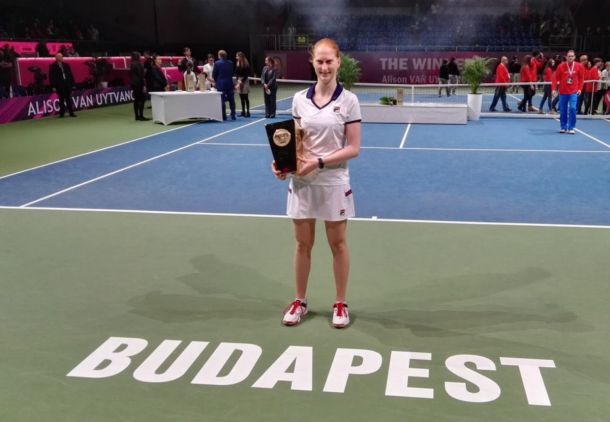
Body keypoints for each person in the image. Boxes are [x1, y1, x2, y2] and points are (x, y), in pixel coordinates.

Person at [271, 38, 361, 328]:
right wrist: (283, 163)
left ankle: (340, 303)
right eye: (319, 61)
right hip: (303, 182)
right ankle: (300, 301)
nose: (324, 67)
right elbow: (295, 143)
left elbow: (353, 148)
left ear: (338, 63)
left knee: (338, 245)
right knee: (302, 244)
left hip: (334, 182)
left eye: (329, 61)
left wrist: (320, 162)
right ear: (312, 62)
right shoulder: (299, 99)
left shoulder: (349, 101)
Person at [552, 50, 585, 134]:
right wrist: (553, 89)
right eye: (569, 56)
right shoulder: (561, 66)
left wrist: (580, 88)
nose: (570, 58)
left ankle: (571, 127)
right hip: (563, 92)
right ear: (566, 57)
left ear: (574, 57)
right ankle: (563, 127)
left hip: (573, 92)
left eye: (572, 56)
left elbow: (581, 78)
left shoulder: (579, 66)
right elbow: (555, 78)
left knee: (573, 108)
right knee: (563, 111)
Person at [49, 53, 76, 118]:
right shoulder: (52, 66)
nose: (62, 57)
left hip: (67, 85)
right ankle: (62, 113)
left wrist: (73, 84)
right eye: (60, 56)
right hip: (59, 85)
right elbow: (51, 77)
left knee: (68, 100)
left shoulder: (66, 65)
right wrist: (53, 86)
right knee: (61, 100)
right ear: (57, 58)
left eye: (62, 56)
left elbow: (70, 75)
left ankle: (71, 112)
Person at [212, 49, 236, 121]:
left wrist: (216, 80)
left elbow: (214, 74)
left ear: (220, 55)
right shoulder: (230, 63)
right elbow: (231, 72)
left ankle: (224, 116)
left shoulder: (217, 63)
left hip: (221, 84)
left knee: (222, 100)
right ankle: (233, 115)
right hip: (229, 83)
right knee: (231, 100)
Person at [130, 51, 149, 121]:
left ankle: (137, 116)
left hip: (133, 83)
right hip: (139, 84)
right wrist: (143, 85)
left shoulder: (132, 64)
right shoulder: (139, 64)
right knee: (142, 99)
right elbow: (141, 75)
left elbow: (130, 75)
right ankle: (141, 116)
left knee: (136, 100)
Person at [234, 51, 251, 117]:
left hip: (245, 81)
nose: (236, 57)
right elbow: (236, 73)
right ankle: (243, 111)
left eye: (237, 56)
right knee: (241, 97)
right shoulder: (237, 63)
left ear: (240, 57)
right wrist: (238, 79)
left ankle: (248, 112)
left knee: (245, 97)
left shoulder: (246, 64)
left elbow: (247, 74)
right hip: (239, 80)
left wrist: (242, 81)